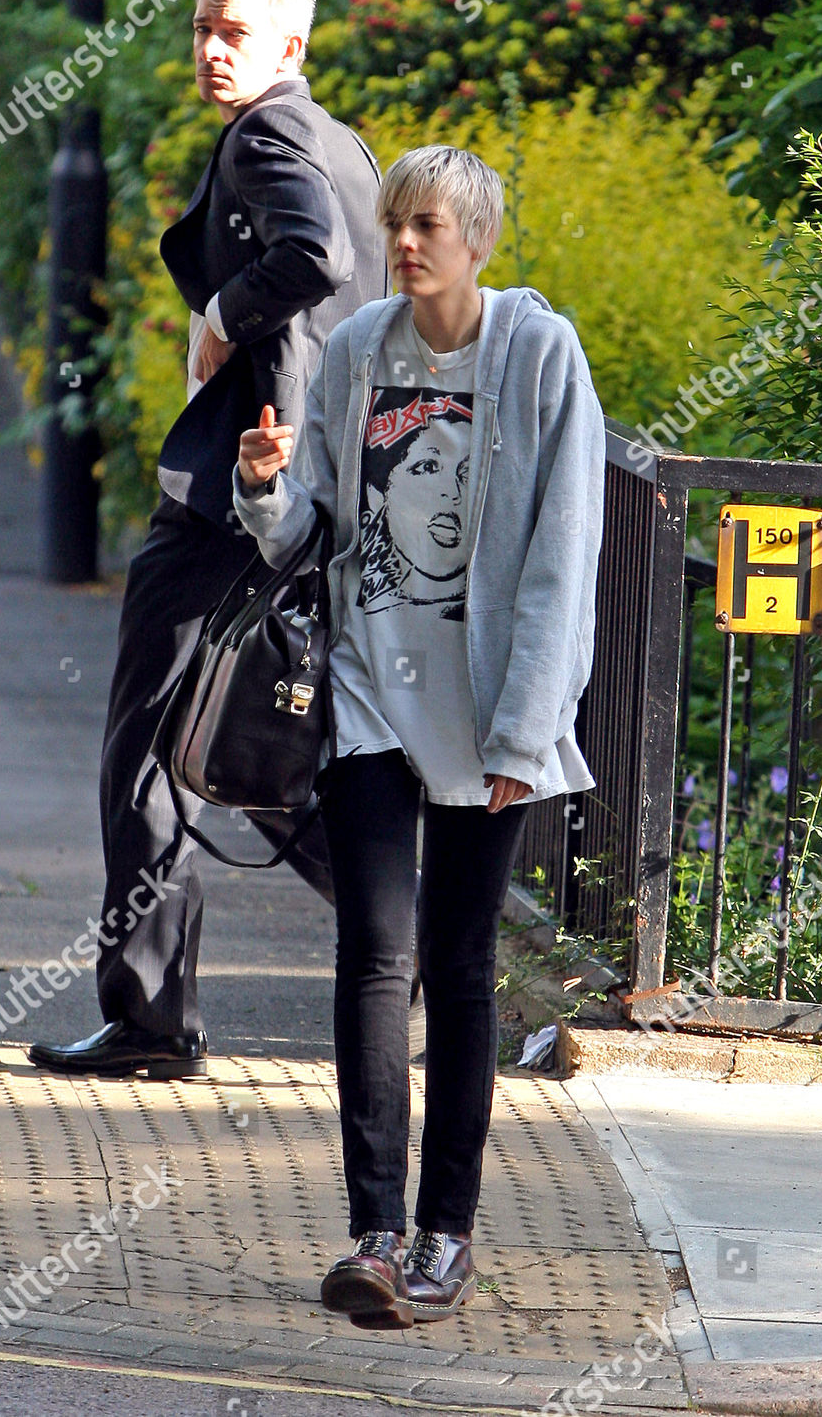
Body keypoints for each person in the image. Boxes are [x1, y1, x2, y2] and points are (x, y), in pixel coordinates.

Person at [233, 146, 605, 1327]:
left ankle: (449, 1235)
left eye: (426, 223)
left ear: (477, 238)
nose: (402, 242)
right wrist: (261, 490)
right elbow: (315, 532)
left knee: (458, 972)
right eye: (394, 222)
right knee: (373, 961)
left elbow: (560, 557)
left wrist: (522, 732)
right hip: (367, 706)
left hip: (488, 716)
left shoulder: (539, 356)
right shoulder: (355, 352)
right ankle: (377, 1233)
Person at [28, 0, 387, 1081]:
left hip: (242, 495)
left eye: (234, 31)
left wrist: (222, 316)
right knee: (262, 743)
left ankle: (149, 1021)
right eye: (200, 29)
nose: (210, 48)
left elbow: (313, 257)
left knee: (150, 742)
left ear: (291, 48)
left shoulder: (269, 137)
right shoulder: (349, 147)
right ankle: (412, 935)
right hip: (306, 487)